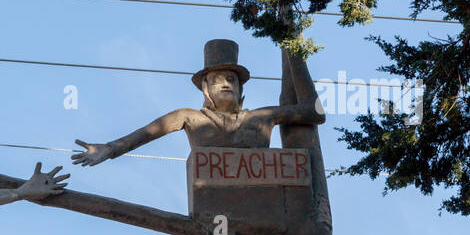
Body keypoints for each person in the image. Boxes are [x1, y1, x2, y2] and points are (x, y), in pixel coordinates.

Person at [71, 39, 325, 165]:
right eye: (217, 80)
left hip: (265, 203)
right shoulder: (190, 117)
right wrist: (109, 149)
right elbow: (146, 133)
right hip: (212, 202)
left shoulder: (263, 116)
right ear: (205, 88)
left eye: (231, 79)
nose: (226, 83)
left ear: (240, 88)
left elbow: (315, 113)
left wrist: (292, 48)